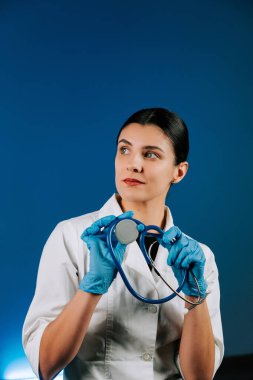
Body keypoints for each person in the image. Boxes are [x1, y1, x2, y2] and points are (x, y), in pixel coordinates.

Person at [22, 107, 224, 380]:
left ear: (179, 172)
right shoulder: (72, 237)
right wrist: (92, 287)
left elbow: (200, 377)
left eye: (150, 154)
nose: (133, 164)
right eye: (124, 150)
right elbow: (45, 364)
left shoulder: (199, 259)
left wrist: (194, 299)